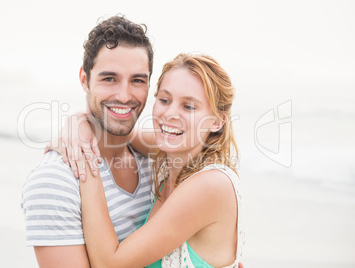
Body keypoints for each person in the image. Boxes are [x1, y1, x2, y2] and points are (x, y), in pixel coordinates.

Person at [71, 53, 244, 267]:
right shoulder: (172, 156)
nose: (170, 113)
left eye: (188, 107)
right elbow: (119, 133)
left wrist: (85, 156)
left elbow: (109, 264)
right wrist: (78, 122)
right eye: (164, 100)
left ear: (217, 122)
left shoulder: (210, 185)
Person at [21, 15, 154, 267]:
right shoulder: (54, 180)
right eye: (109, 78)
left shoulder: (156, 163)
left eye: (137, 80)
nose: (124, 96)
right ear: (84, 80)